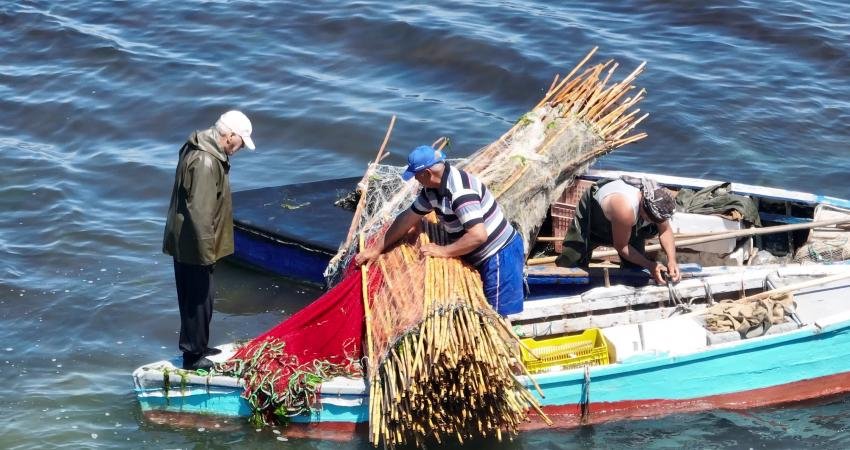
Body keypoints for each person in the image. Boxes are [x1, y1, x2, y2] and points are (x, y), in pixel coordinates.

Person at [355, 145, 525, 316]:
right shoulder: (432, 189)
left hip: (498, 254)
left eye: (416, 175)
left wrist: (443, 251)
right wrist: (377, 248)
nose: (416, 180)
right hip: (478, 254)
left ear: (426, 173)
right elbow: (407, 218)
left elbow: (478, 236)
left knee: (499, 314)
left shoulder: (460, 193)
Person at [162, 110, 256, 371]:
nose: (240, 148)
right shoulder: (205, 161)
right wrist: (206, 254)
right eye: (241, 142)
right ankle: (193, 356)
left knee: (202, 297)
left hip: (191, 240)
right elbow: (200, 213)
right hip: (194, 244)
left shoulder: (206, 150)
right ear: (230, 135)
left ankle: (199, 345)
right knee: (197, 298)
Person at [555, 176, 680, 284]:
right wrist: (650, 265)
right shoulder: (626, 208)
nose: (653, 222)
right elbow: (621, 246)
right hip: (596, 212)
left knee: (636, 268)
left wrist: (672, 261)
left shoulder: (659, 203)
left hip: (627, 221)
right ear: (643, 204)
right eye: (650, 219)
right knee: (572, 259)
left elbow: (665, 231)